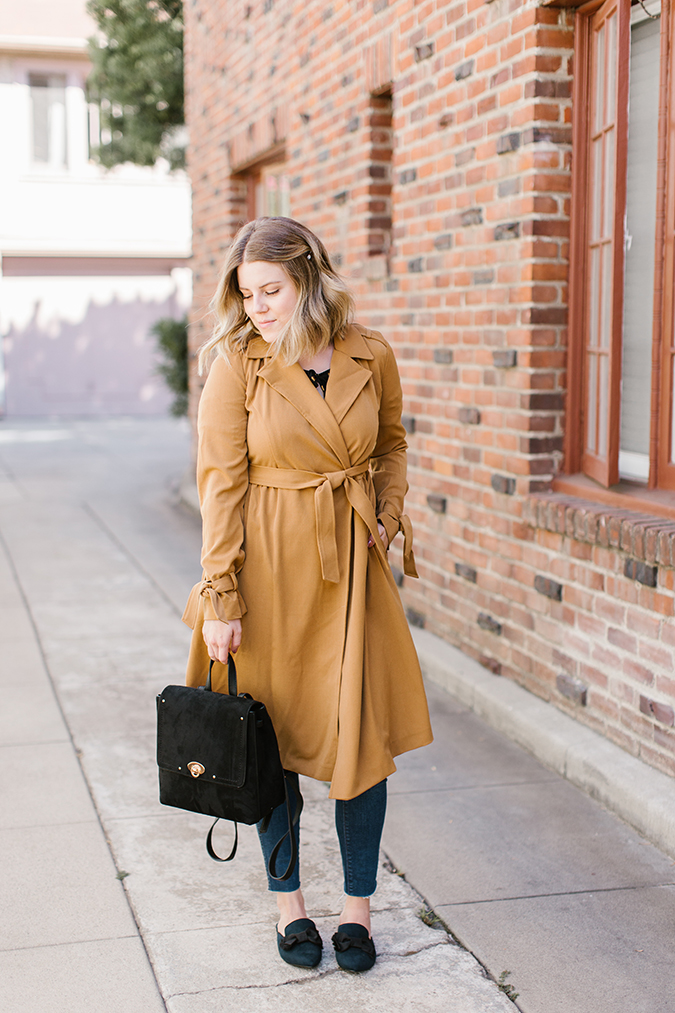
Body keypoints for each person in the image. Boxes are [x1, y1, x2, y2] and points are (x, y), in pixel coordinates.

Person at [182, 216, 432, 973]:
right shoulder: (238, 363)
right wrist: (221, 595)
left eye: (271, 290)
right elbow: (220, 486)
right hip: (267, 570)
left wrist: (384, 520)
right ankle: (288, 904)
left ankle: (357, 911)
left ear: (309, 280)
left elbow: (390, 443)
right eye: (245, 293)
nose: (256, 306)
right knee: (273, 741)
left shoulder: (368, 351)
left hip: (352, 570)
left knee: (364, 741)